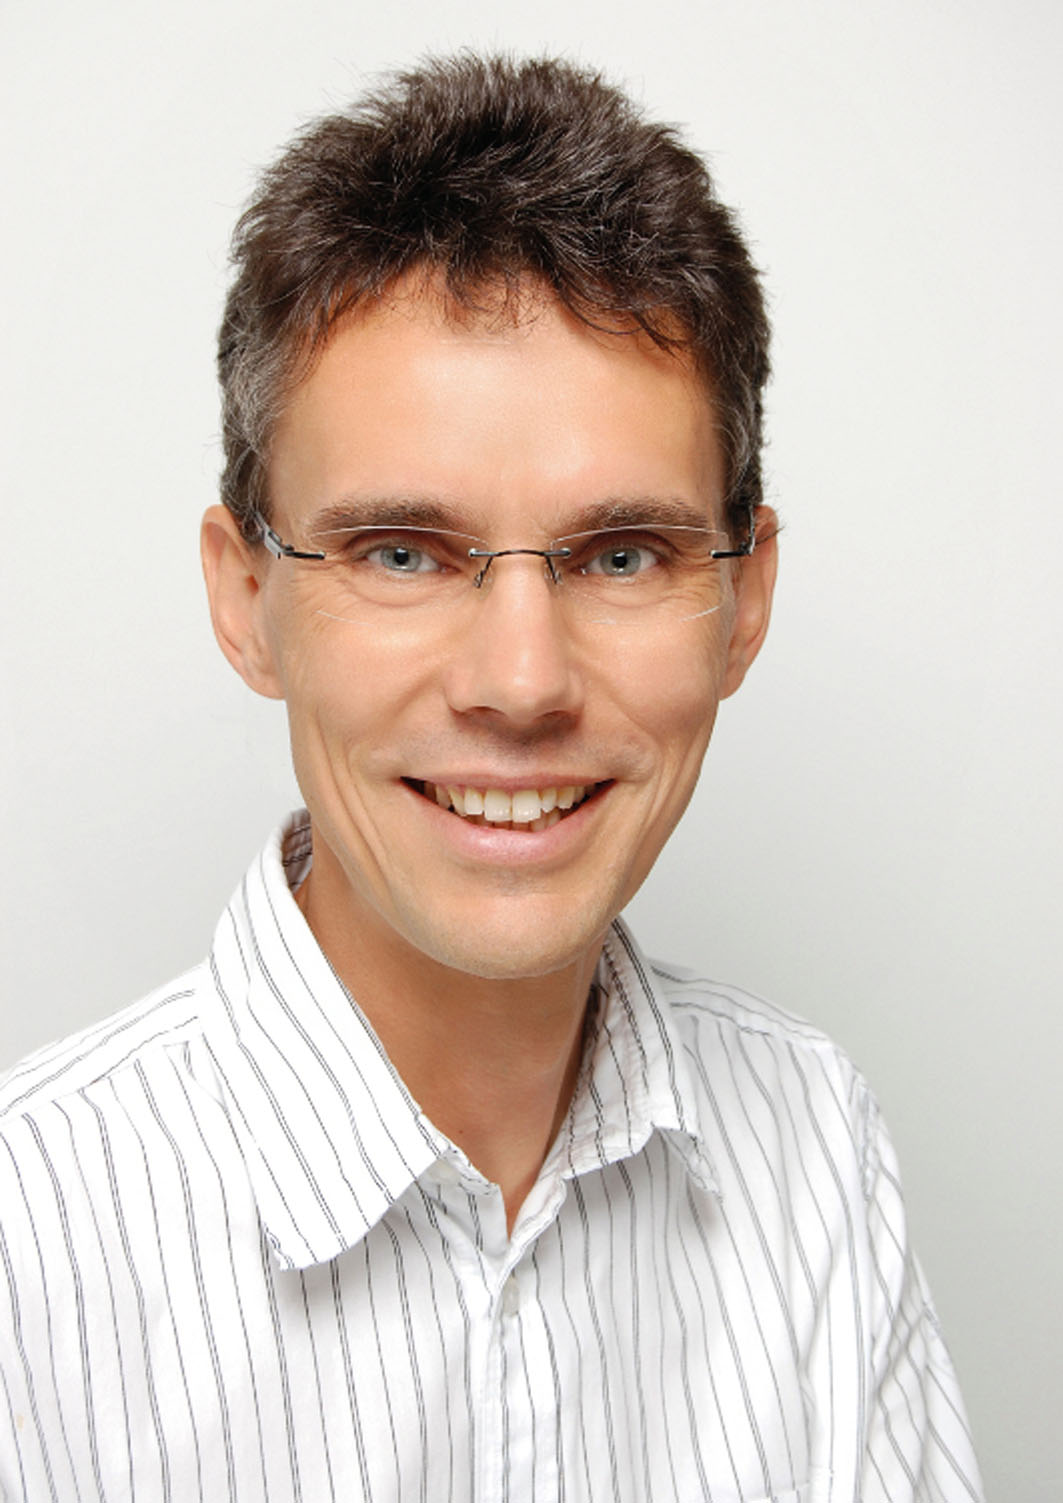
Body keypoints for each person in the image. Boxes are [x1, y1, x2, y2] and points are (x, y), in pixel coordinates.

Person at [0, 53, 982, 1503]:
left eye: (622, 555)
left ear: (745, 601)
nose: (521, 684)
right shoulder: (27, 1244)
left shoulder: (813, 1141)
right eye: (403, 552)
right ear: (246, 599)